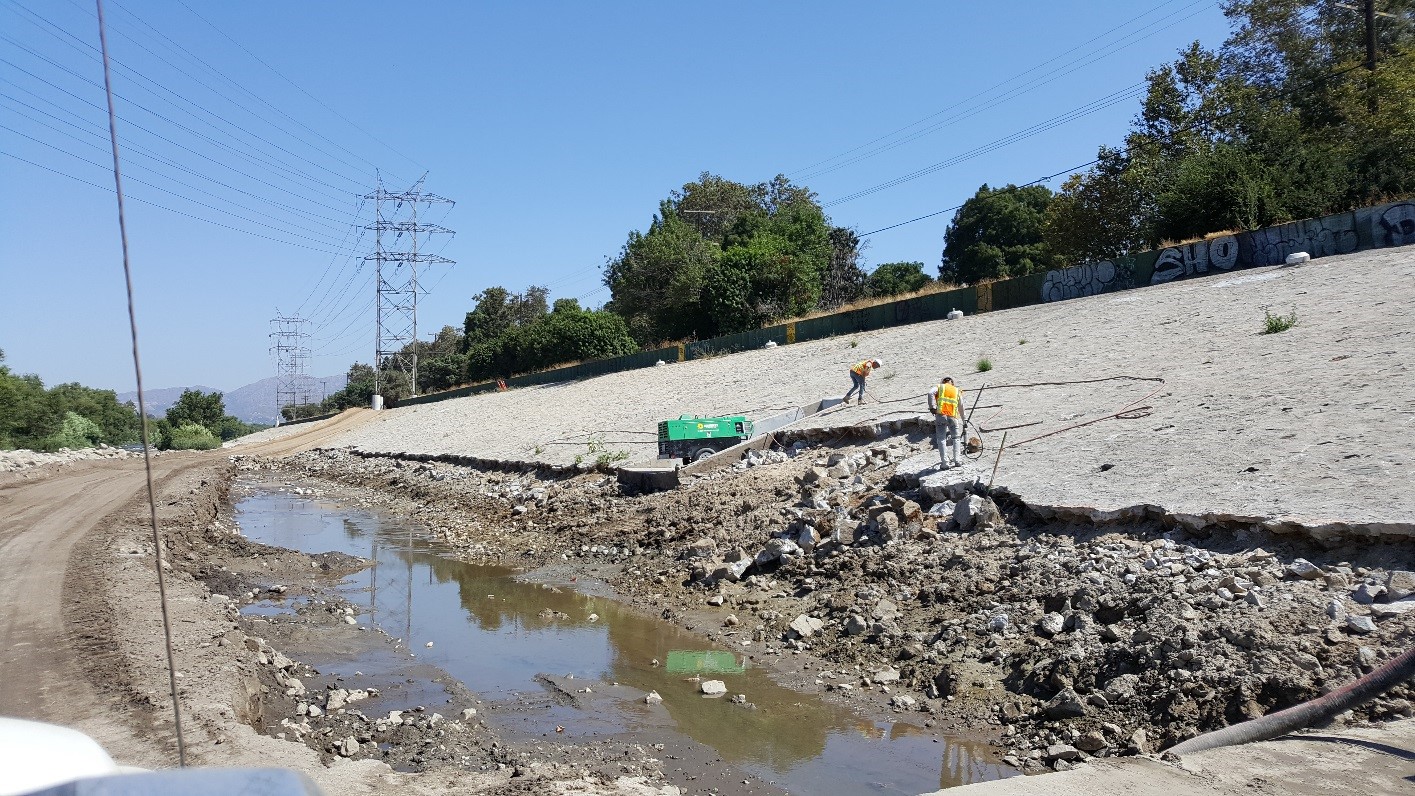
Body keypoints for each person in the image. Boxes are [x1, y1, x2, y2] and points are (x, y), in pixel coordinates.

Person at [928, 375, 963, 468]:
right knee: (956, 438)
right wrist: (964, 420)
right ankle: (957, 460)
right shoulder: (956, 390)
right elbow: (961, 407)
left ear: (943, 382)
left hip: (941, 416)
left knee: (941, 439)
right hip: (953, 417)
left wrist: (932, 408)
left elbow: (930, 393)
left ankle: (945, 463)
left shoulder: (939, 387)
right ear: (952, 382)